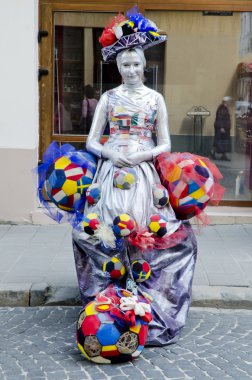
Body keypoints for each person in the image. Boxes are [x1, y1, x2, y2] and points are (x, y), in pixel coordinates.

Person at [72, 41, 197, 346]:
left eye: (136, 65)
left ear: (145, 66)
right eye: (125, 65)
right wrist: (111, 154)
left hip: (143, 175)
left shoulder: (155, 99)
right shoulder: (108, 98)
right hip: (111, 173)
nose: (130, 71)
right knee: (105, 231)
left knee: (144, 231)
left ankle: (141, 301)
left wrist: (143, 156)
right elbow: (91, 141)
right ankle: (110, 301)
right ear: (118, 68)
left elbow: (164, 143)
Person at [211, 96, 232, 161]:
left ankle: (223, 155)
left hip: (224, 128)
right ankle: (213, 153)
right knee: (219, 141)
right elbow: (220, 118)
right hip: (221, 128)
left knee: (223, 141)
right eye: (229, 101)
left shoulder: (224, 108)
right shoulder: (222, 109)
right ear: (226, 102)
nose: (230, 103)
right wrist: (222, 127)